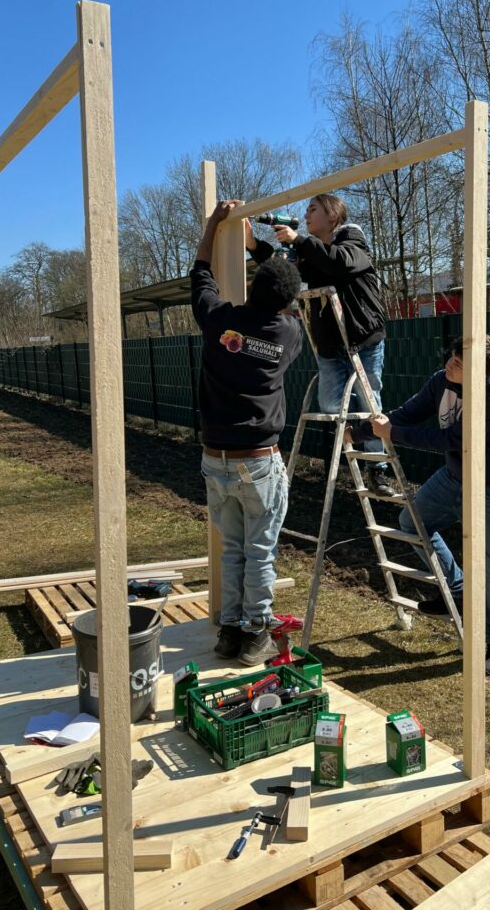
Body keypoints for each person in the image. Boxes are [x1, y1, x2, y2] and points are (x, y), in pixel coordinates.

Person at [347, 335, 490, 676]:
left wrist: (392, 434)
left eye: (457, 364)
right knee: (413, 522)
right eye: (451, 358)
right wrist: (359, 433)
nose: (448, 366)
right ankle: (458, 593)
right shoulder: (441, 382)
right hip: (456, 476)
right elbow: (405, 415)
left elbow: (451, 439)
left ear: (477, 371)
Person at [191, 200, 303, 665]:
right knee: (259, 551)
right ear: (287, 302)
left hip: (215, 460)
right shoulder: (288, 333)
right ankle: (255, 634)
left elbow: (201, 274)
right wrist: (263, 247)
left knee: (234, 549)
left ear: (254, 289)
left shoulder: (218, 321)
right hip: (258, 462)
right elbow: (284, 288)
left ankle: (231, 632)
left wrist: (214, 225)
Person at [246, 193, 394, 496]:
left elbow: (339, 262)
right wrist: (254, 245)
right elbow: (283, 271)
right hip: (330, 344)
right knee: (330, 405)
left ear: (332, 215)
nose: (306, 214)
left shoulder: (353, 239)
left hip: (363, 339)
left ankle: (378, 469)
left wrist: (299, 240)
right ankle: (357, 434)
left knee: (370, 403)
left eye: (312, 209)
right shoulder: (313, 253)